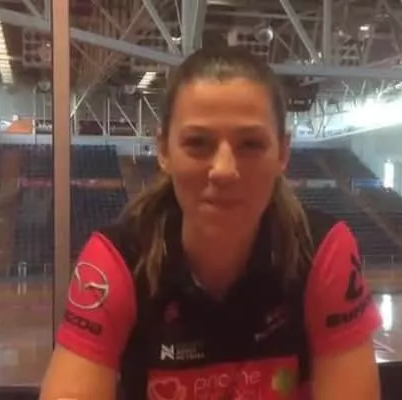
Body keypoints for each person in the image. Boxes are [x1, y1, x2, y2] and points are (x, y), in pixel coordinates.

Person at [40, 46, 382, 400]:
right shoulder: (115, 261)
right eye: (198, 143)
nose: (223, 170)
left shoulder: (324, 251)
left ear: (283, 152)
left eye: (250, 144)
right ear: (164, 150)